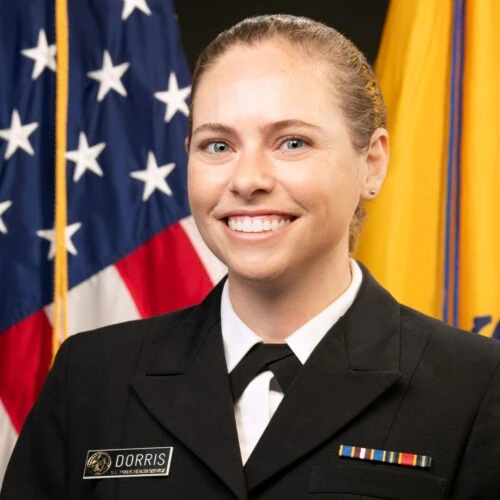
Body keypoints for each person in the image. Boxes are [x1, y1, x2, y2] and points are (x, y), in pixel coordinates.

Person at [2, 14, 500, 500]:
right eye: (217, 145)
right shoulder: (90, 376)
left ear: (371, 163)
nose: (246, 180)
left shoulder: (476, 387)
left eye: (292, 142)